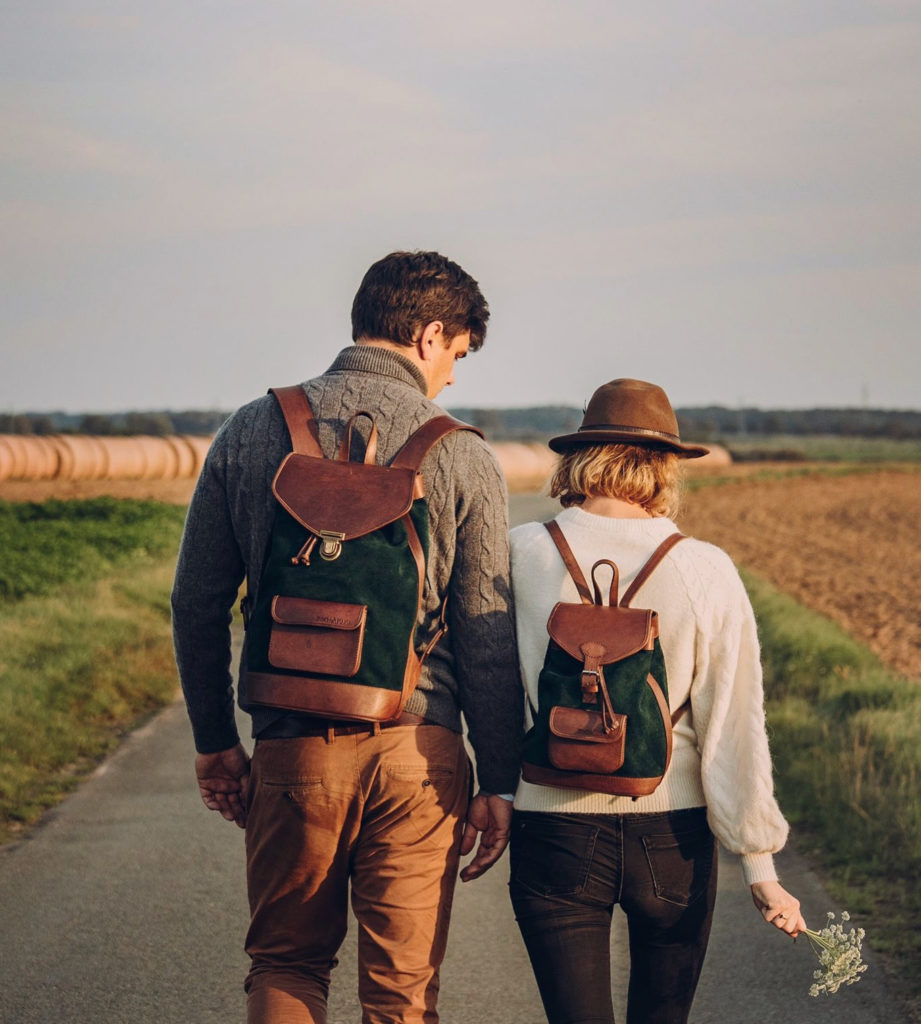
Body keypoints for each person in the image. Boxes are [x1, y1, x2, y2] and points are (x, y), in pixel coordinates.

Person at [171, 250, 523, 1024]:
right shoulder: (462, 451)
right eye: (457, 355)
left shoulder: (251, 428)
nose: (454, 377)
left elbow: (195, 602)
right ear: (429, 334)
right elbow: (487, 634)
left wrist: (213, 740)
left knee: (286, 966)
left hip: (291, 744)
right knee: (400, 995)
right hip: (416, 758)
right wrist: (497, 778)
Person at [507, 378, 807, 1024]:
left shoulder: (520, 552)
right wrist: (758, 865)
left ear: (578, 459)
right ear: (664, 466)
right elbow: (732, 719)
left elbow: (490, 689)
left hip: (551, 824)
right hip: (671, 830)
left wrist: (496, 796)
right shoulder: (703, 567)